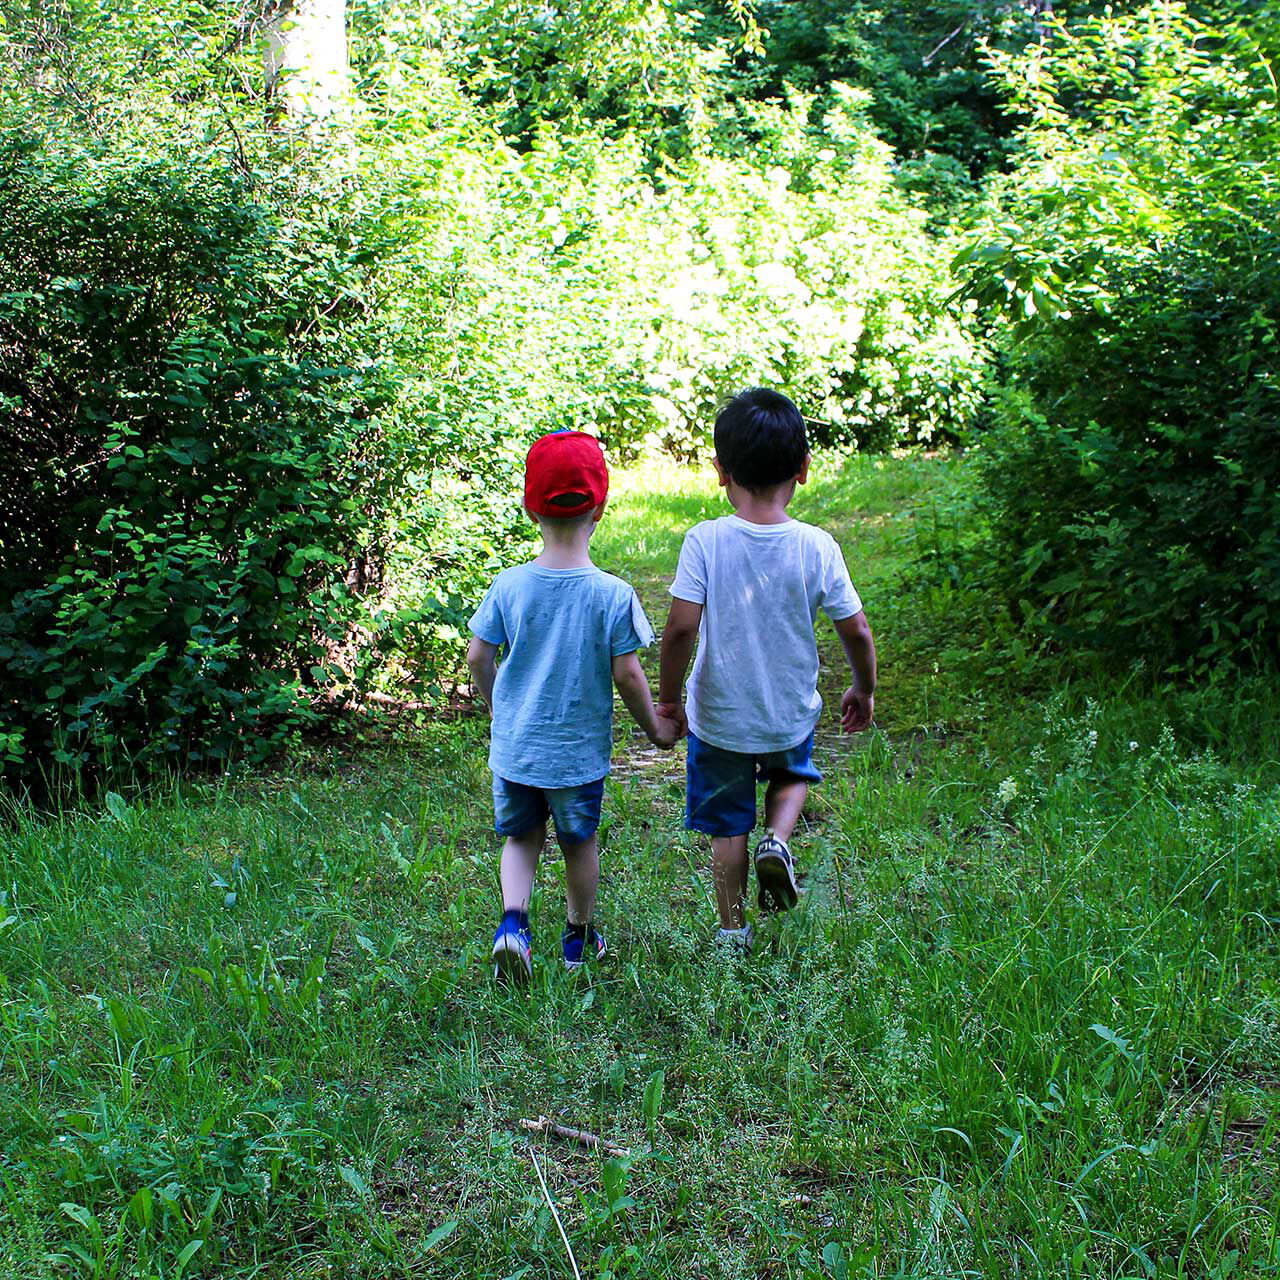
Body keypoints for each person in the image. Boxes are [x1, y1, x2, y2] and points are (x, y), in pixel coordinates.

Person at [657, 388, 877, 951]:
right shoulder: (817, 545)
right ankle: (777, 840)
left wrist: (670, 698)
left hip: (721, 718)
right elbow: (855, 628)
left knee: (728, 826)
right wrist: (863, 686)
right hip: (787, 711)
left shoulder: (705, 541)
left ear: (719, 471)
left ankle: (733, 933)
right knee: (792, 776)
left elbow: (681, 627)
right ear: (803, 470)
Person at [468, 430, 678, 983]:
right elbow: (628, 675)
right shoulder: (611, 594)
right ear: (601, 508)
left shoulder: (509, 586)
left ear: (527, 506)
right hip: (576, 758)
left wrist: (498, 708)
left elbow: (477, 656)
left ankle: (513, 926)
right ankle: (578, 939)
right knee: (577, 842)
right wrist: (656, 726)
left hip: (516, 750)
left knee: (521, 837)